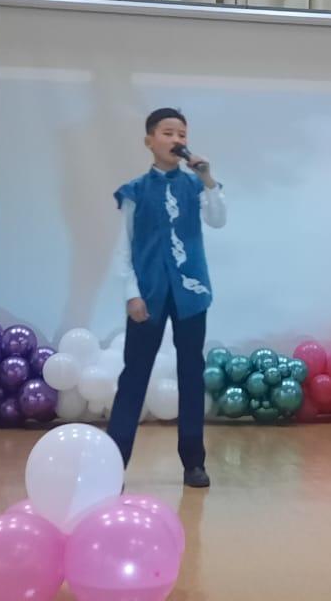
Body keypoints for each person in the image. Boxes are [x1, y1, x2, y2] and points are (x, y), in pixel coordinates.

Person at [107, 107, 225, 488]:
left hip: (191, 294)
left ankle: (193, 462)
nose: (176, 140)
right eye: (168, 133)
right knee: (134, 376)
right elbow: (123, 248)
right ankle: (112, 465)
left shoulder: (196, 185)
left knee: (191, 374)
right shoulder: (135, 191)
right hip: (148, 295)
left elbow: (218, 219)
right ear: (149, 140)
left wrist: (207, 178)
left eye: (182, 135)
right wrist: (131, 294)